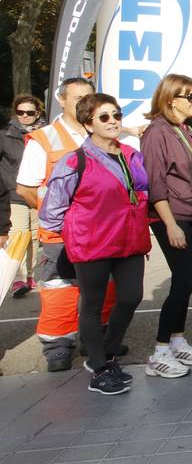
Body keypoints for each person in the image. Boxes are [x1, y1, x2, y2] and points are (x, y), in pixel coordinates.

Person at [37, 93, 149, 395]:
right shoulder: (75, 161)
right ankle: (99, 368)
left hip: (130, 241)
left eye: (116, 115)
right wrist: (79, 231)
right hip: (93, 244)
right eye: (104, 117)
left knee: (130, 297)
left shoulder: (130, 154)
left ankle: (107, 352)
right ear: (89, 124)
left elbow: (141, 193)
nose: (113, 121)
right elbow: (51, 212)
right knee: (92, 304)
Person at [15, 76, 103, 371]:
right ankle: (58, 345)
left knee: (102, 287)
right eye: (77, 98)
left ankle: (98, 339)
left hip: (99, 231)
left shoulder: (101, 134)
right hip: (60, 234)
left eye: (88, 97)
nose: (83, 103)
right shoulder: (45, 139)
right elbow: (26, 189)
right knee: (60, 288)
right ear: (61, 100)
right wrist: (59, 216)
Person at [140, 74, 192, 376]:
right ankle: (159, 351)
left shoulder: (183, 129)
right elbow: (155, 184)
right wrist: (170, 224)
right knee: (182, 281)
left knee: (188, 281)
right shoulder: (157, 132)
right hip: (174, 216)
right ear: (172, 99)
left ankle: (177, 341)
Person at [3, 94, 45, 297]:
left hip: (36, 191)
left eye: (30, 112)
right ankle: (17, 279)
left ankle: (29, 276)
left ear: (37, 113)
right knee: (19, 234)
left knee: (35, 237)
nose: (25, 116)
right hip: (13, 193)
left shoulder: (44, 134)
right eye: (20, 112)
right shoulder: (5, 135)